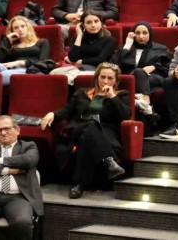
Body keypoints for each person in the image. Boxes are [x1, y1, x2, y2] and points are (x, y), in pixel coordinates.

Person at [41, 63, 131, 199]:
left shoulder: (121, 95)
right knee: (90, 125)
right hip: (78, 128)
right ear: (97, 77)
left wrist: (112, 97)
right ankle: (108, 159)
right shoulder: (81, 93)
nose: (105, 81)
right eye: (103, 77)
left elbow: (126, 115)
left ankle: (79, 184)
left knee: (86, 139)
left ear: (116, 81)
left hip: (104, 134)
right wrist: (52, 113)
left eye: (110, 78)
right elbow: (67, 111)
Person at [113, 22, 172, 115]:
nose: (141, 36)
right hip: (132, 78)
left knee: (139, 73)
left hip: (153, 78)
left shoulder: (161, 49)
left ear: (150, 34)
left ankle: (145, 102)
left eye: (145, 33)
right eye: (138, 33)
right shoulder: (126, 48)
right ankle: (147, 106)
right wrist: (127, 46)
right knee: (139, 72)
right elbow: (114, 65)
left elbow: (169, 67)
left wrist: (154, 66)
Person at [51, 11, 116, 85]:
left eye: (96, 21)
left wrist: (81, 61)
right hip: (78, 68)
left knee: (75, 76)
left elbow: (101, 60)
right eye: (89, 22)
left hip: (99, 69)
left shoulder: (109, 39)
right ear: (83, 25)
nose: (93, 25)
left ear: (101, 23)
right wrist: (79, 35)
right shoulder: (78, 38)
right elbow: (73, 58)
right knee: (54, 73)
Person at [0, 15, 51, 85]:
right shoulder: (12, 45)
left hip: (29, 70)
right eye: (16, 28)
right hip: (12, 69)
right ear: (12, 31)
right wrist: (7, 40)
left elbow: (43, 62)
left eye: (22, 26)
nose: (20, 29)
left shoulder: (42, 42)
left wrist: (21, 62)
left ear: (28, 27)